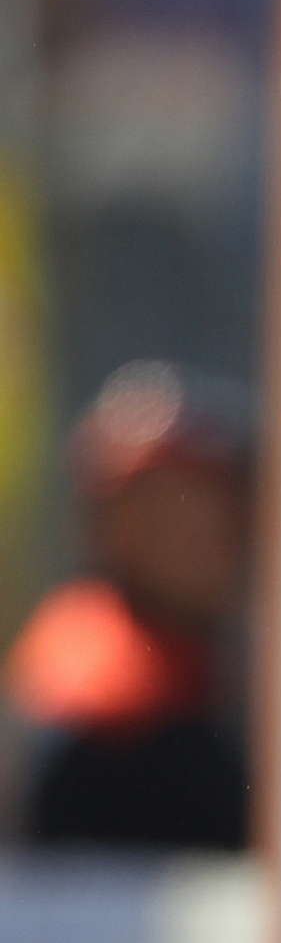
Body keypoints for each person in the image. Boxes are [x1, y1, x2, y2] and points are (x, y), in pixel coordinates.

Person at [1, 360, 251, 850]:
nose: (196, 533)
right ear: (108, 525)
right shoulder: (96, 667)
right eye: (163, 507)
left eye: (214, 502)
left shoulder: (227, 643)